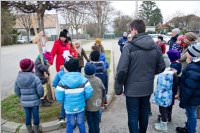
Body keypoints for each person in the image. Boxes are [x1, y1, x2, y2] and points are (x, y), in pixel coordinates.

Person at [115, 19, 166, 133]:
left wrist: (118, 88)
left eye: (131, 30)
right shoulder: (155, 46)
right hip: (147, 87)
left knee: (133, 116)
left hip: (132, 89)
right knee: (144, 113)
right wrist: (150, 72)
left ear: (134, 30)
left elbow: (121, 71)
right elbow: (161, 67)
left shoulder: (128, 47)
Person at [55, 57, 93, 133]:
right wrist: (83, 97)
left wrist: (64, 100)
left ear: (67, 69)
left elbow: (59, 96)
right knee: (81, 123)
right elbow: (89, 91)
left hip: (69, 108)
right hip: (80, 107)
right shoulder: (83, 79)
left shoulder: (62, 81)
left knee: (70, 125)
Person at [153, 49, 182, 132]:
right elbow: (176, 82)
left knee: (163, 108)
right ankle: (167, 117)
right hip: (171, 93)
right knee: (168, 106)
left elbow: (159, 85)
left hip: (164, 94)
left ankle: (164, 121)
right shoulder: (176, 68)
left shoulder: (166, 73)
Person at [15, 58, 44, 133]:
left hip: (25, 102)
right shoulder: (35, 78)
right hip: (35, 102)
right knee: (35, 115)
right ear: (31, 67)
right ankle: (37, 130)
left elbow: (16, 91)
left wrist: (21, 97)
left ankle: (30, 130)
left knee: (27, 115)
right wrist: (40, 96)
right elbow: (40, 91)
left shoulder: (18, 78)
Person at [176, 44, 200, 133]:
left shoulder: (193, 68)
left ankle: (190, 130)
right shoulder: (194, 65)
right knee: (190, 113)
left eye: (188, 52)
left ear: (193, 55)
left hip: (192, 97)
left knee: (191, 114)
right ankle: (188, 127)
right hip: (195, 96)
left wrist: (183, 102)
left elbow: (189, 88)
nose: (186, 54)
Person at [84, 62, 106, 133]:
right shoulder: (98, 80)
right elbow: (103, 91)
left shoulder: (84, 81)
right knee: (96, 122)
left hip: (88, 106)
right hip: (97, 104)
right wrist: (103, 102)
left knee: (90, 123)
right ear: (94, 71)